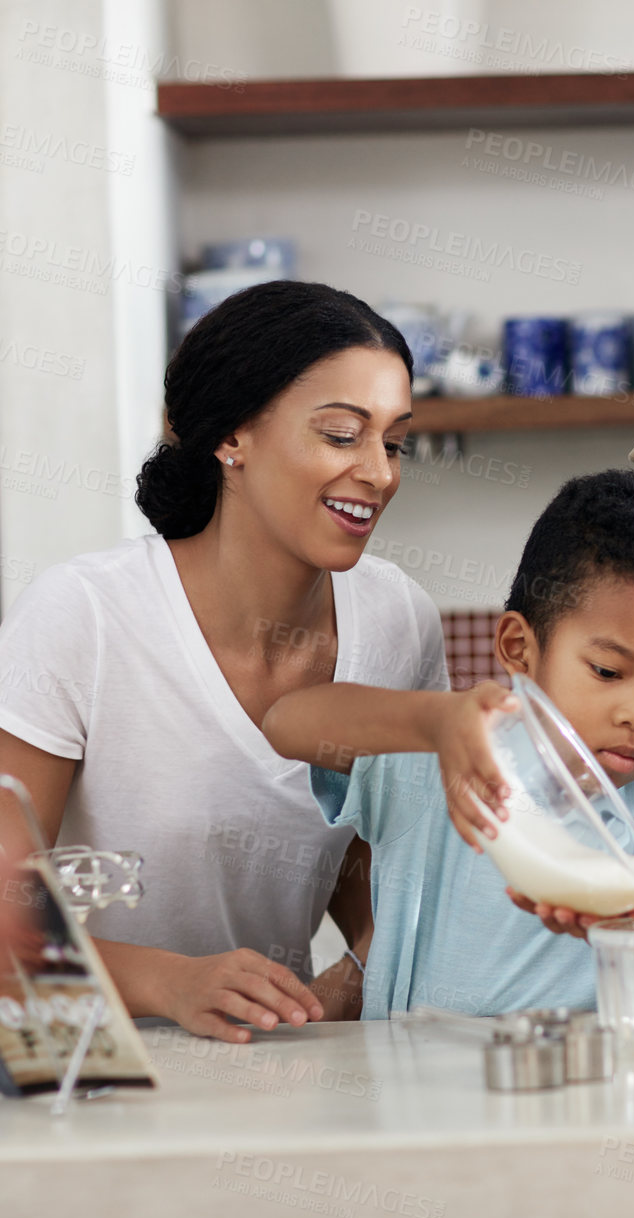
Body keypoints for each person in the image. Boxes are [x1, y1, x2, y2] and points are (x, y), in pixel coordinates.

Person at [0, 280, 446, 1042]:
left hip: (271, 1073)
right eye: (343, 434)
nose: (380, 472)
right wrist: (170, 980)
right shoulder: (85, 616)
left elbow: (384, 876)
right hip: (89, 1068)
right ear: (232, 438)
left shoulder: (399, 623)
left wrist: (354, 977)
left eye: (394, 440)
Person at [262, 471, 634, 1018]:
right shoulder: (442, 759)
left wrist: (628, 937)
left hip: (578, 1093)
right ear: (518, 648)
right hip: (411, 1093)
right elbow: (286, 722)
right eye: (607, 670)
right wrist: (433, 722)